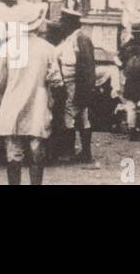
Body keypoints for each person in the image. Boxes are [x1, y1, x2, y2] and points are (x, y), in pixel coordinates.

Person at [0, 4, 62, 185]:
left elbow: (0, 82)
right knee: (37, 148)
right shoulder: (48, 49)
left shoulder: (7, 47)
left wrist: (7, 92)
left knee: (13, 151)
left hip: (13, 103)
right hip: (38, 102)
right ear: (38, 25)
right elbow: (56, 80)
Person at [53, 8, 97, 163]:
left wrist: (83, 91)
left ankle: (72, 152)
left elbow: (87, 68)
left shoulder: (81, 39)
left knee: (70, 117)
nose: (61, 25)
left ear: (70, 23)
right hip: (72, 84)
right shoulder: (70, 38)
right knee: (82, 118)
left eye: (63, 21)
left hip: (76, 85)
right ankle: (84, 153)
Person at [118, 22, 140, 135]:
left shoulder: (126, 47)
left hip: (131, 79)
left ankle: (132, 128)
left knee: (131, 104)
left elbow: (119, 62)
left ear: (132, 33)